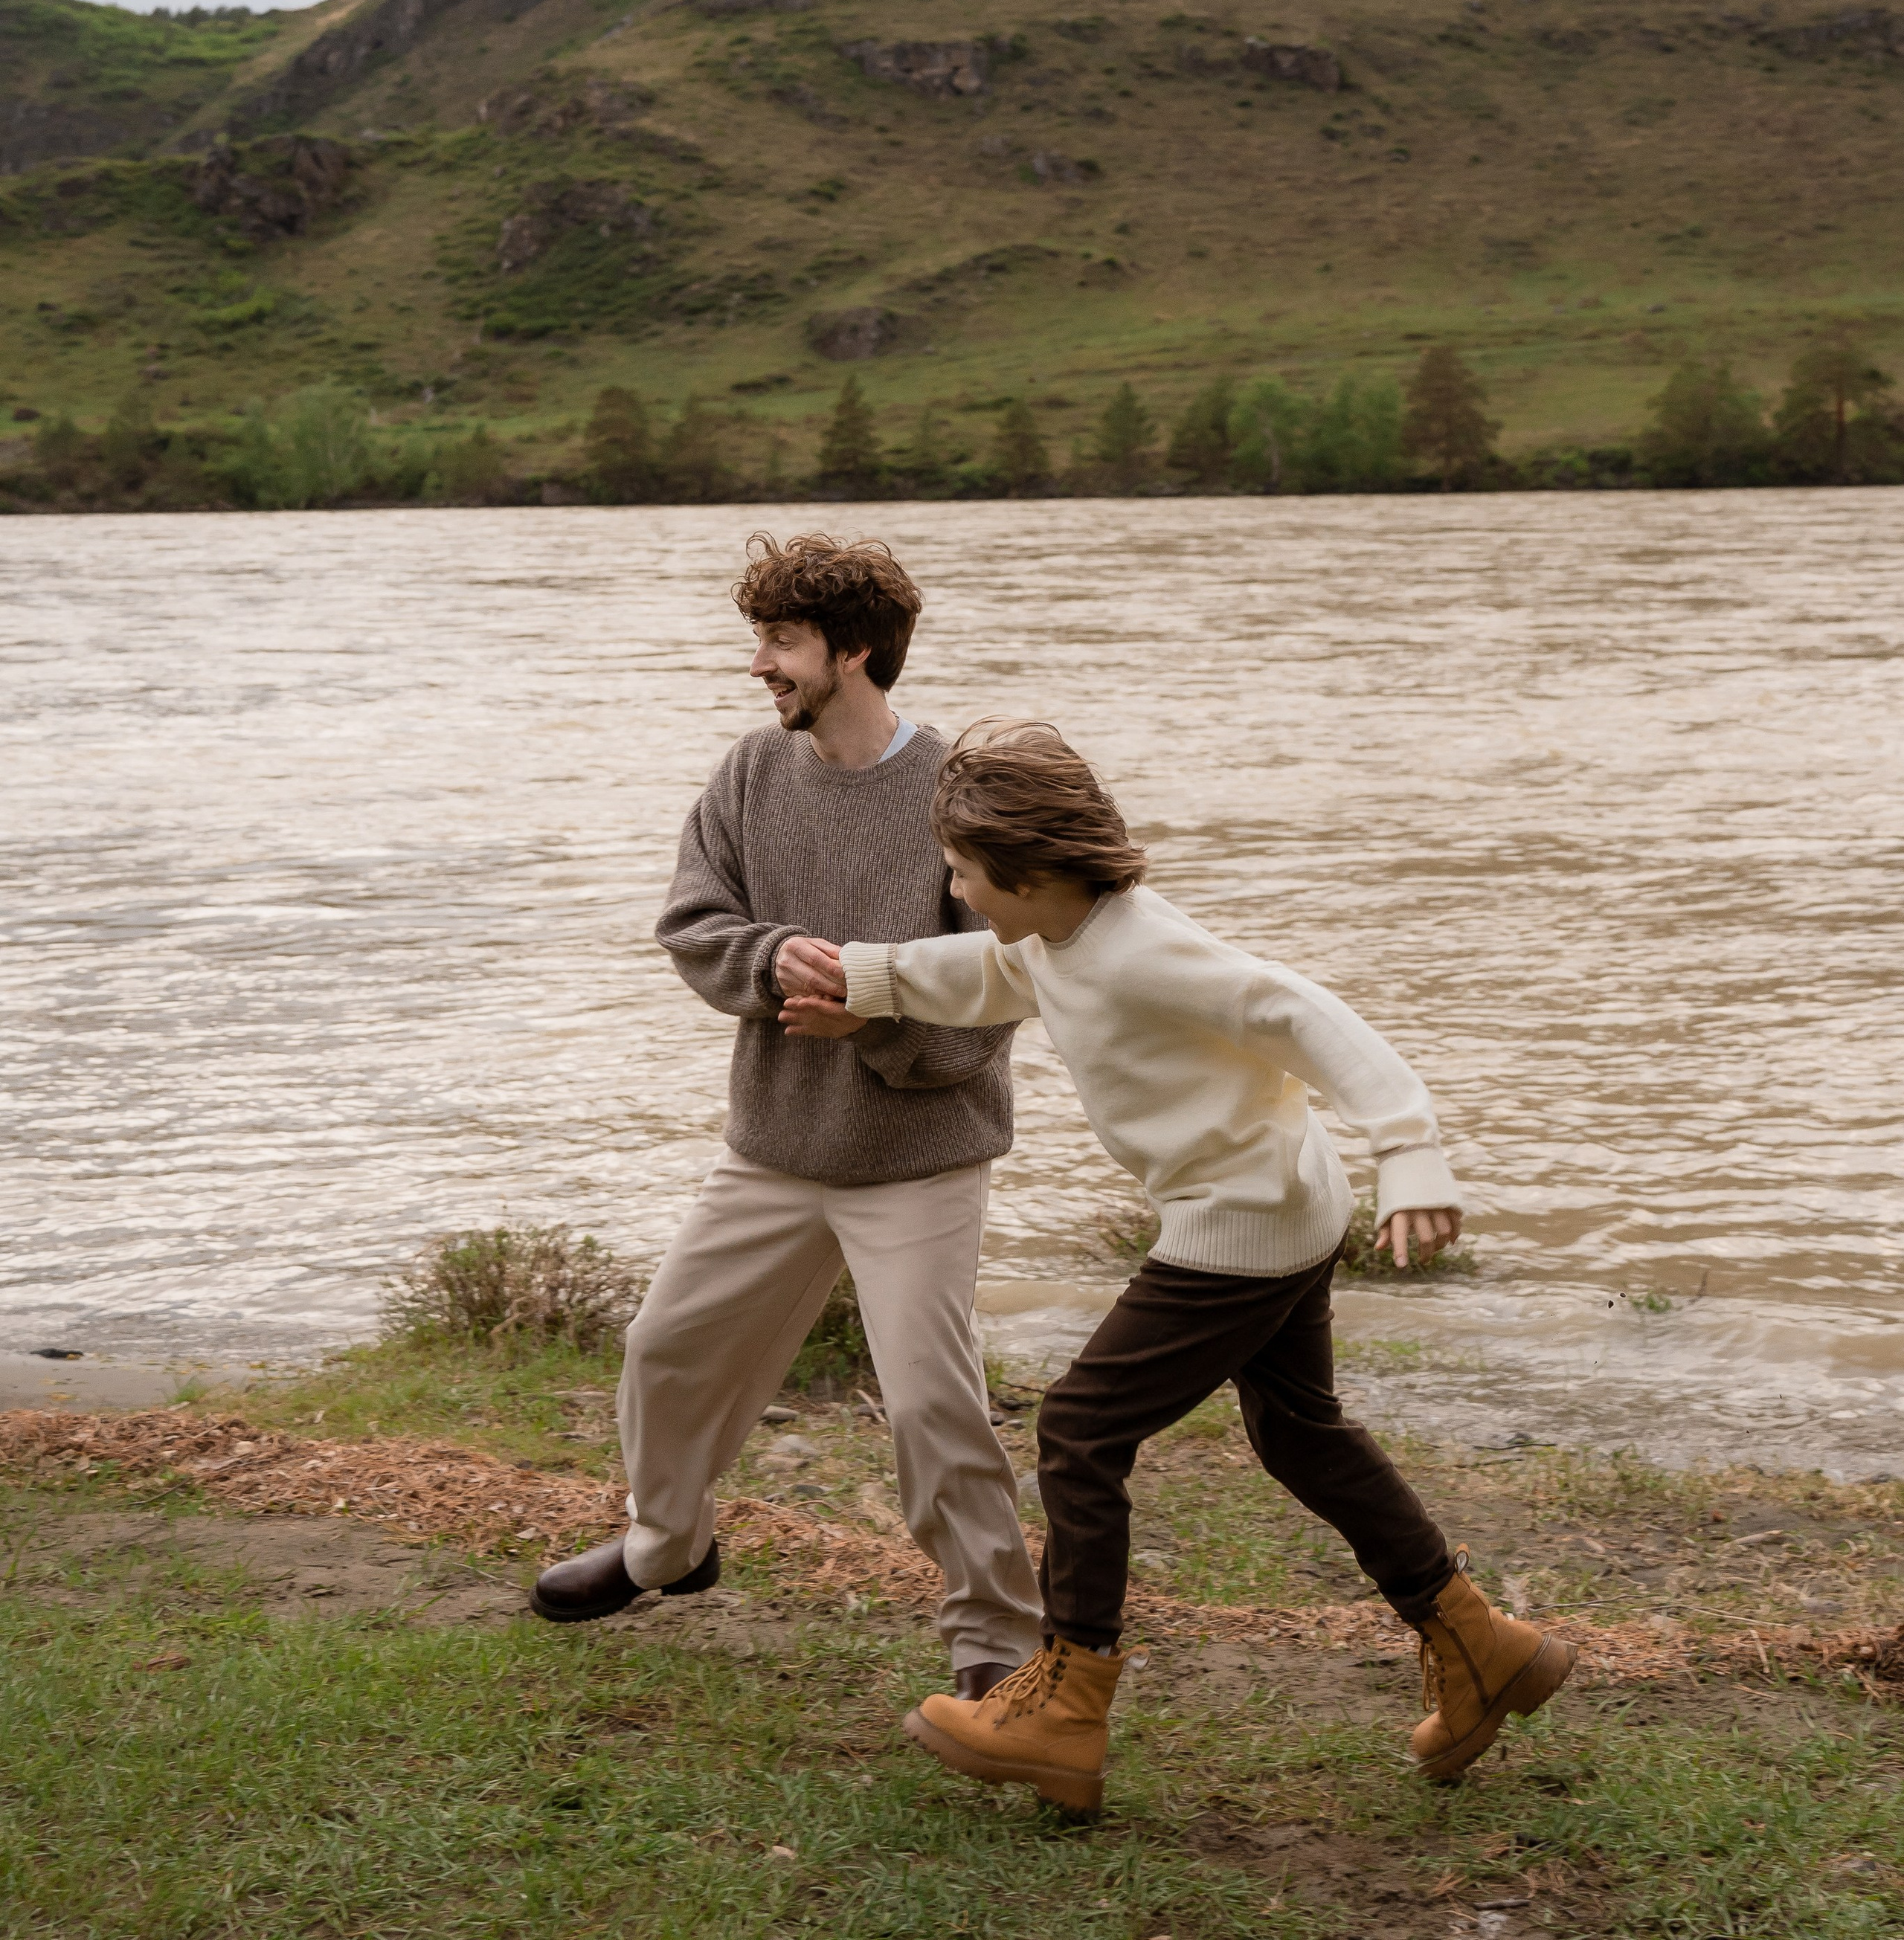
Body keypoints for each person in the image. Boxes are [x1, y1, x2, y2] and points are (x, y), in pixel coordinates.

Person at [781, 720, 1574, 1814]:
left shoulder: (1144, 949)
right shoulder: (1053, 939)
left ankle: (1068, 1701)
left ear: (1034, 869)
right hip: (1283, 1202)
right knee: (1300, 1432)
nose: (955, 892)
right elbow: (986, 972)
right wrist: (865, 981)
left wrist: (1410, 1145)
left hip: (1239, 1225)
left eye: (965, 872)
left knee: (1080, 1428)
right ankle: (1480, 1641)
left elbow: (1291, 1008)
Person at [530, 537, 1042, 1697]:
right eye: (760, 640)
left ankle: (998, 1644)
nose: (760, 665)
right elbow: (692, 923)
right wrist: (771, 962)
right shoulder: (751, 773)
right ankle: (669, 1546)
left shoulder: (958, 790)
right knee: (664, 1350)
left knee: (931, 1406)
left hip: (920, 1159)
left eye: (781, 643)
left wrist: (876, 1021)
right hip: (771, 1153)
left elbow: (1006, 981)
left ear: (852, 651)